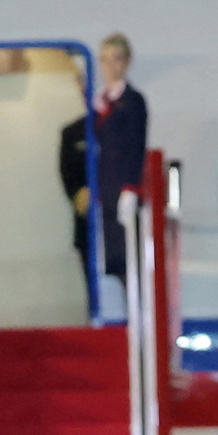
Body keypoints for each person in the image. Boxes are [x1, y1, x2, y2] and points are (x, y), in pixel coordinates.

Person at [58, 33, 147, 313]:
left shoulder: (131, 103)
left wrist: (130, 189)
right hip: (97, 207)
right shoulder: (87, 120)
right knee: (97, 277)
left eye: (116, 59)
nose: (110, 66)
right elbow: (70, 171)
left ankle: (137, 324)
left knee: (125, 267)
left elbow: (134, 147)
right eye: (105, 60)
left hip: (117, 198)